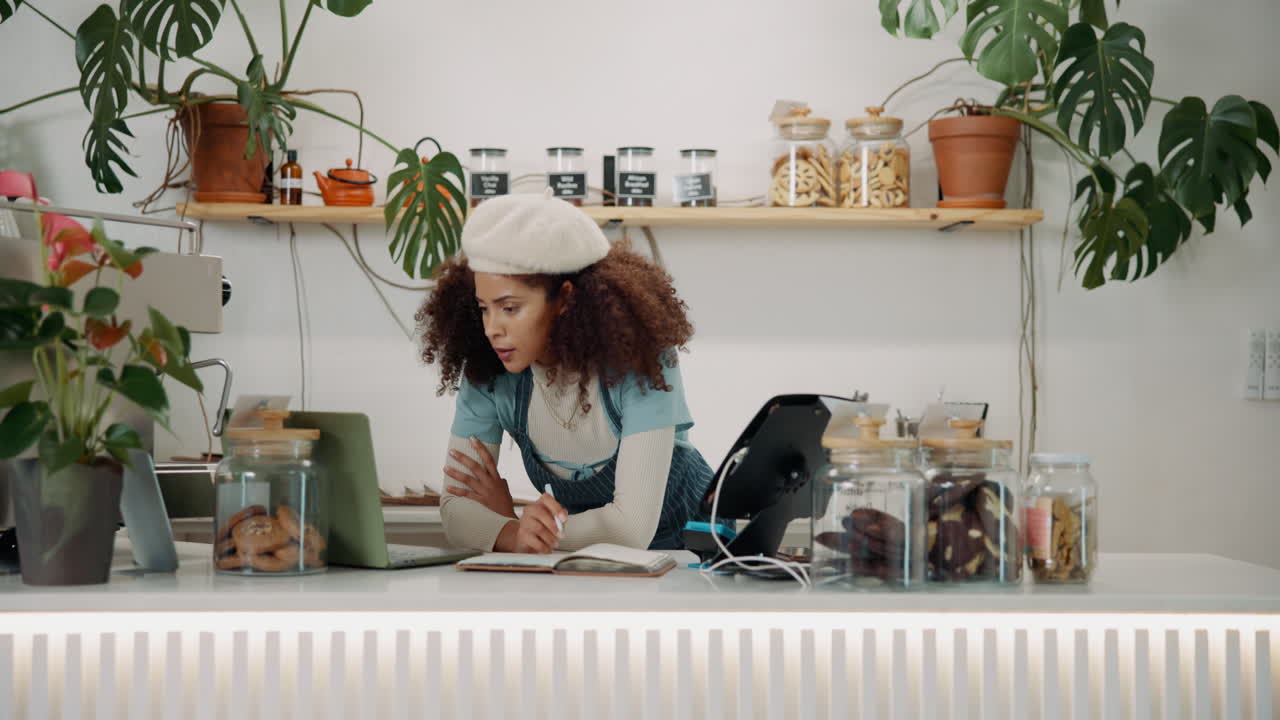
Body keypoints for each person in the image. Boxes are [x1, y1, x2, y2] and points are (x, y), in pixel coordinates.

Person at [417, 190, 713, 554]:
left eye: (510, 308)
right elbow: (457, 511)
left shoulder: (642, 360)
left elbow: (631, 527)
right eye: (484, 309)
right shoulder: (488, 370)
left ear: (566, 299)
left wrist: (517, 526)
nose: (492, 328)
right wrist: (516, 532)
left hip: (695, 548)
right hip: (582, 555)